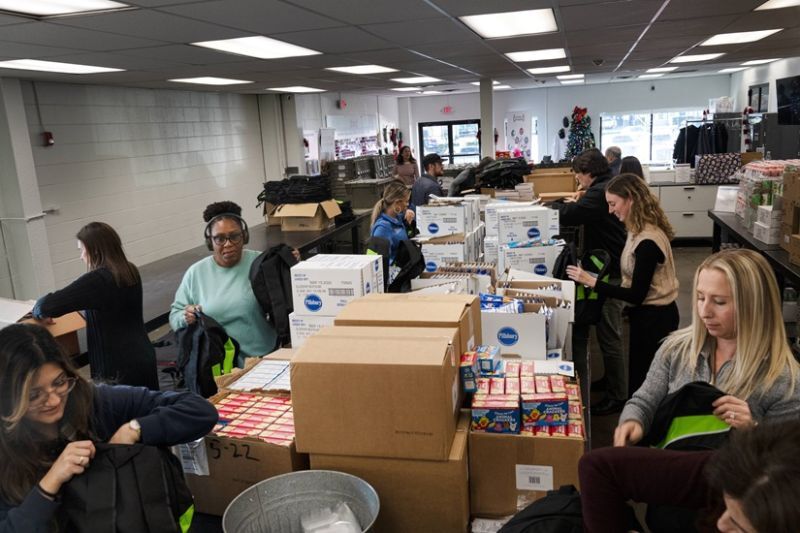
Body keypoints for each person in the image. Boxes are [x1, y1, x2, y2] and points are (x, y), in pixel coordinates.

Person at [0, 323, 218, 532]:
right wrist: (51, 481)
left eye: (59, 382)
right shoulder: (6, 452)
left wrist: (134, 429)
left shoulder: (96, 402)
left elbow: (199, 410)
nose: (54, 401)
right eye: (34, 395)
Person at [610, 248, 799, 447]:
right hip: (671, 472)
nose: (704, 312)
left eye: (719, 302)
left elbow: (785, 461)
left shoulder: (785, 382)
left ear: (753, 305)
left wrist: (753, 430)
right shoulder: (676, 350)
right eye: (700, 298)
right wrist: (633, 421)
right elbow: (644, 400)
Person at [568, 172, 680, 401]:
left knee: (648, 380)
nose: (610, 210)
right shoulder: (637, 229)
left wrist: (592, 282)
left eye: (613, 204)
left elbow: (636, 295)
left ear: (630, 199)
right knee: (641, 375)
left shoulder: (647, 242)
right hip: (647, 316)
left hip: (655, 319)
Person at [579, 419, 800, 533]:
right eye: (724, 506)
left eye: (739, 526)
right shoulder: (752, 469)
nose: (721, 525)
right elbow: (600, 467)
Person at [32, 222, 158, 390]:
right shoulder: (129, 270)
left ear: (95, 250)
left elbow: (47, 306)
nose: (81, 256)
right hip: (143, 355)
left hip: (116, 368)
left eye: (82, 250)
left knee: (120, 414)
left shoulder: (97, 281)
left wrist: (36, 309)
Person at [552, 148, 627, 414]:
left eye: (578, 175)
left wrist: (553, 207)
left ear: (588, 172)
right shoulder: (605, 186)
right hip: (609, 265)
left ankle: (618, 395)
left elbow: (571, 215)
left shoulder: (598, 193)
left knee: (609, 332)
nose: (577, 181)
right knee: (608, 331)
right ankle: (611, 381)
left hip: (612, 270)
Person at [170, 201, 291, 363]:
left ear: (244, 236)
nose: (228, 244)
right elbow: (175, 314)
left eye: (234, 236)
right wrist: (186, 317)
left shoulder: (261, 263)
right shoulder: (196, 273)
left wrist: (290, 262)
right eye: (219, 238)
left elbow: (290, 295)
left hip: (263, 357)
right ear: (210, 242)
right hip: (218, 364)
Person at [370, 180, 414, 266]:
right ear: (397, 203)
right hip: (394, 276)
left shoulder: (398, 219)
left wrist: (407, 223)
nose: (407, 205)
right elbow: (381, 264)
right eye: (406, 201)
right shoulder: (383, 228)